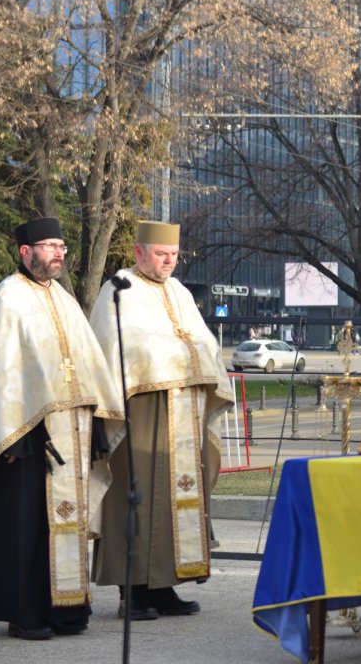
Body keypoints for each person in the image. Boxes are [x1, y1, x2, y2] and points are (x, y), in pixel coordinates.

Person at [0, 217, 122, 640]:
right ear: (26, 252)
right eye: (50, 246)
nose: (59, 253)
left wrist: (96, 425)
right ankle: (24, 613)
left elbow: (88, 368)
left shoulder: (64, 299)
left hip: (72, 435)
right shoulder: (6, 300)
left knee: (66, 523)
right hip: (25, 439)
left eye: (61, 246)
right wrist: (15, 435)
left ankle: (67, 609)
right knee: (27, 527)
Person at [89, 221, 233, 620]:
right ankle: (131, 591)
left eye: (173, 255)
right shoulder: (118, 288)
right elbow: (121, 346)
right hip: (139, 410)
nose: (169, 262)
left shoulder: (180, 291)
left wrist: (190, 355)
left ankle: (165, 586)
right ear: (138, 252)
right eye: (160, 254)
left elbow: (204, 343)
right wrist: (181, 354)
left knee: (174, 499)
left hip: (184, 412)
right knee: (135, 498)